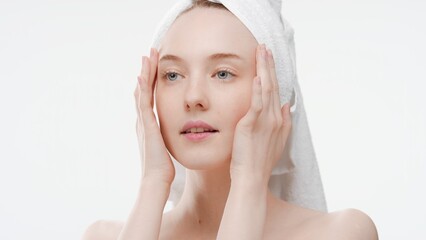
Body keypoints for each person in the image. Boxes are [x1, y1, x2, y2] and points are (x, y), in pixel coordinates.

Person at [82, 0, 378, 239]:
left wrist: (248, 181)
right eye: (173, 75)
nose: (193, 96)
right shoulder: (104, 235)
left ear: (276, 92)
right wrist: (153, 181)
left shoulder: (341, 233)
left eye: (223, 73)